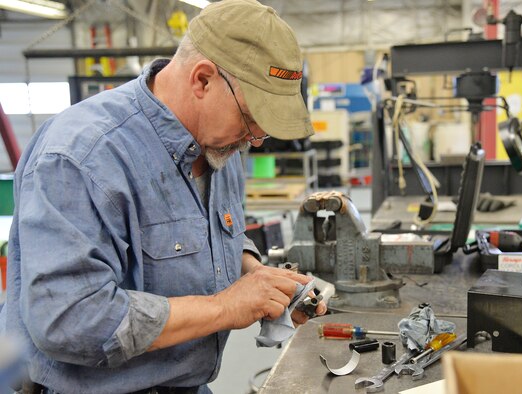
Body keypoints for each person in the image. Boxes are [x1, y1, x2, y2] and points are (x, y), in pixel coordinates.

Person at [0, 0, 326, 392]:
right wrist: (228, 306)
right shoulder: (82, 156)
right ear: (203, 80)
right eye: (251, 119)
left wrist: (258, 278)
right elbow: (68, 319)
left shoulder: (220, 145)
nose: (254, 139)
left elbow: (214, 232)